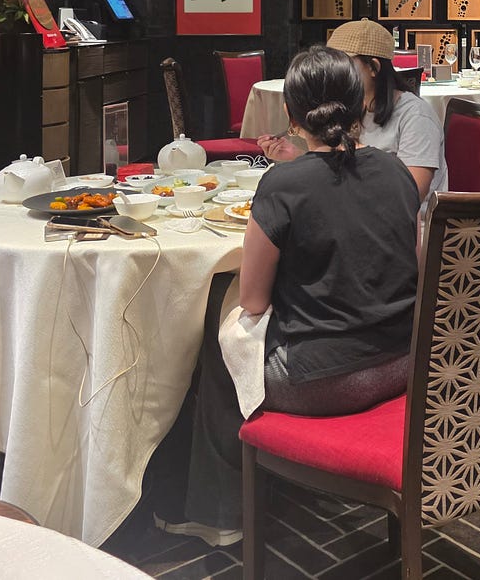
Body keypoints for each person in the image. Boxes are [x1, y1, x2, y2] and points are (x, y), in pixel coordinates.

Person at [172, 45, 421, 547]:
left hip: (323, 382)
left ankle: (218, 513)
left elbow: (253, 300)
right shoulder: (396, 171)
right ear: (361, 104)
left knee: (215, 333)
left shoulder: (282, 184)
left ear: (290, 113)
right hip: (402, 363)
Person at [259, 18, 448, 209]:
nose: (335, 72)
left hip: (402, 223)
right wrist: (299, 156)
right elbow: (341, 172)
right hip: (352, 212)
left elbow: (408, 196)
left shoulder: (416, 116)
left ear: (373, 67)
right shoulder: (349, 108)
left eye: (344, 65)